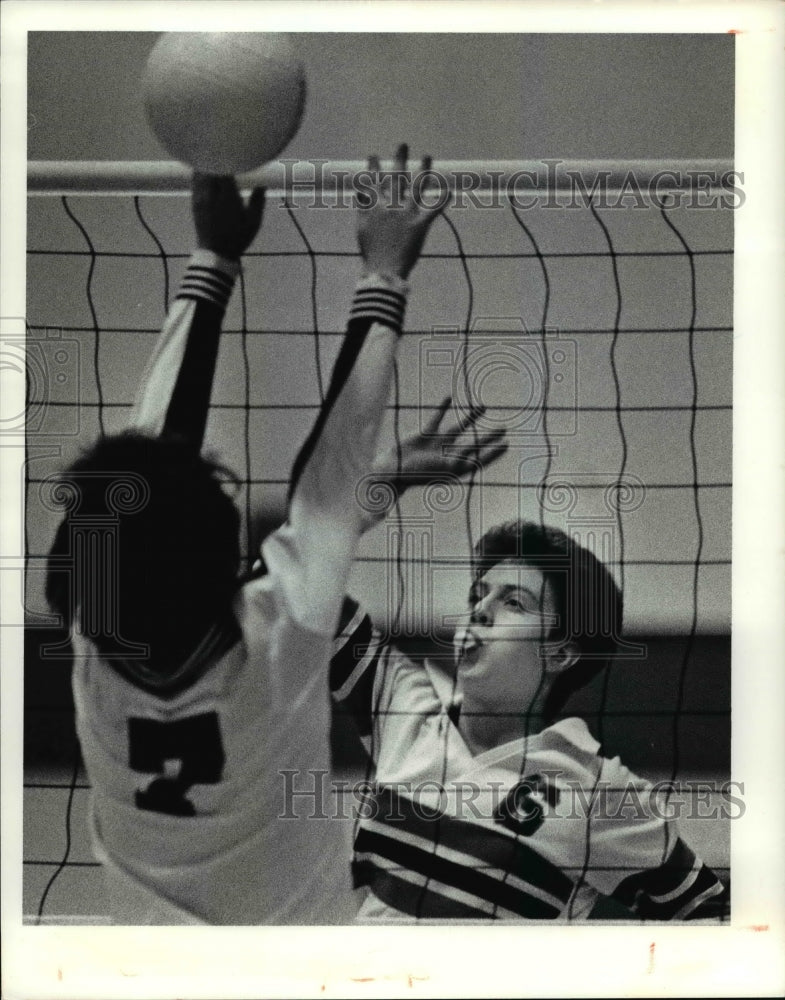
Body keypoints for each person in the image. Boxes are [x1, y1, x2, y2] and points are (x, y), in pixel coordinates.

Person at [44, 145, 448, 924]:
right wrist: (383, 270)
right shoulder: (278, 632)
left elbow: (164, 467)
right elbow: (329, 476)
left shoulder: (91, 643)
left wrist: (216, 257)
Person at [331, 507, 729, 921]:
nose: (480, 609)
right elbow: (303, 591)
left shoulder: (598, 792)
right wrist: (360, 499)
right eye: (477, 594)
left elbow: (714, 916)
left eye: (514, 602)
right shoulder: (402, 706)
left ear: (558, 652)